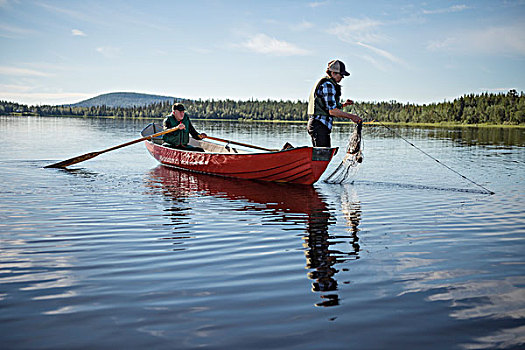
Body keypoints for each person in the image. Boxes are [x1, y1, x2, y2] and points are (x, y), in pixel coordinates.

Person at [307, 59, 362, 147]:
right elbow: (332, 111)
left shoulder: (326, 83)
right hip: (319, 125)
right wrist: (352, 117)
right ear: (333, 73)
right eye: (341, 75)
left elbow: (326, 105)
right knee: (323, 156)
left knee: (321, 156)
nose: (342, 77)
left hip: (317, 125)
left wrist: (344, 104)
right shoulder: (328, 85)